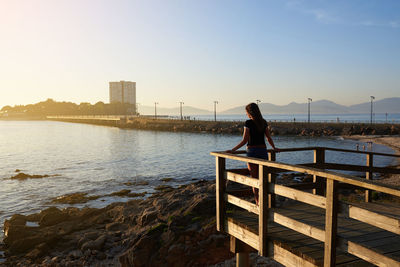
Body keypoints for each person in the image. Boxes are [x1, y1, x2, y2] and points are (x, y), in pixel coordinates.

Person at [226, 103, 279, 205]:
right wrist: (274, 148)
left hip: (252, 152)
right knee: (262, 179)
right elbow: (268, 138)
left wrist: (233, 150)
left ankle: (258, 203)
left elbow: (244, 140)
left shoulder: (248, 123)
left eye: (246, 112)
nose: (246, 114)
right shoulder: (263, 122)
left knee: (254, 180)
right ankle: (264, 202)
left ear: (250, 112)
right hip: (263, 151)